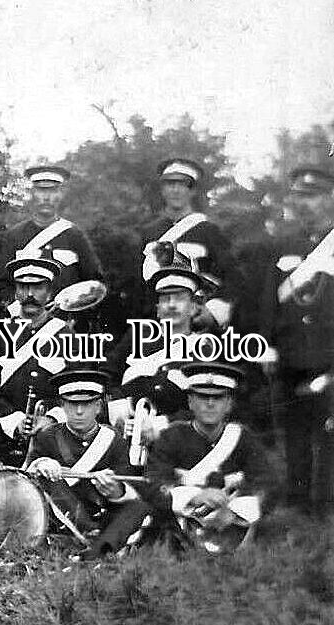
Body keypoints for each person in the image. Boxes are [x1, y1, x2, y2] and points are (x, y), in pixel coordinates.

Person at [259, 165, 334, 514]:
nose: (306, 204)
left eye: (314, 196)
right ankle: (298, 498)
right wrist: (267, 344)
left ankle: (327, 502)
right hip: (288, 353)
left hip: (328, 352)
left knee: (330, 431)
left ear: (330, 198)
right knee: (293, 432)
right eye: (300, 197)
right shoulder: (281, 246)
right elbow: (266, 301)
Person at [140, 362, 276, 552]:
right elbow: (154, 483)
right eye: (203, 397)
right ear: (190, 402)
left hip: (232, 524)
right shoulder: (171, 437)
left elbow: (265, 482)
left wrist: (234, 510)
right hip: (184, 525)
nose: (210, 404)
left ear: (229, 404)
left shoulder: (243, 438)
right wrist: (195, 496)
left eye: (218, 398)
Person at [26, 369, 151, 559]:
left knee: (138, 506)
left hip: (103, 513)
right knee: (47, 480)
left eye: (86, 404)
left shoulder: (114, 439)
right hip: (63, 518)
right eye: (72, 404)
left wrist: (116, 490)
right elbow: (26, 479)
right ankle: (97, 546)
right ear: (62, 406)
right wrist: (43, 463)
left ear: (98, 406)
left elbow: (127, 483)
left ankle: (95, 551)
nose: (79, 412)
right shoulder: (47, 436)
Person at [0, 250, 70, 464]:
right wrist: (14, 421)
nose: (29, 294)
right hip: (6, 437)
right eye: (23, 287)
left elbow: (77, 388)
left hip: (55, 437)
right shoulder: (0, 333)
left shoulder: (64, 334)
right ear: (16, 292)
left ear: (49, 292)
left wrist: (52, 418)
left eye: (37, 287)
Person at [105, 266, 212, 451]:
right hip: (125, 438)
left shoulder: (205, 349)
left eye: (179, 298)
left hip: (176, 444)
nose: (171, 305)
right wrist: (115, 409)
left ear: (194, 307)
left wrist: (162, 425)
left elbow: (208, 407)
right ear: (157, 309)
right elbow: (108, 374)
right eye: (165, 299)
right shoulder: (138, 336)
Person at [138, 158, 243, 330]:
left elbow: (234, 278)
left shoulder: (208, 230)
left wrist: (212, 312)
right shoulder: (149, 233)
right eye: (170, 183)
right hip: (156, 320)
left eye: (183, 184)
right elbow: (141, 284)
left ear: (192, 191)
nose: (176, 190)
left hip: (196, 319)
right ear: (162, 189)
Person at [0, 166, 104, 308]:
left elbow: (94, 284)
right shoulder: (15, 236)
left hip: (66, 323)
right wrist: (16, 309)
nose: (46, 197)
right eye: (41, 190)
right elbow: (0, 285)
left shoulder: (74, 236)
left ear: (60, 194)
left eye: (53, 190)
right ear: (32, 193)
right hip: (26, 320)